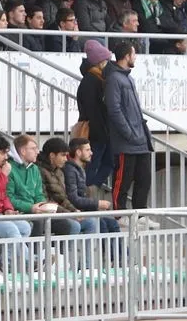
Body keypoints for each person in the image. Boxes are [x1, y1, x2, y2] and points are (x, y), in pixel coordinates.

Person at [105, 41, 158, 228]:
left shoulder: (128, 78)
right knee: (123, 179)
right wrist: (128, 133)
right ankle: (119, 215)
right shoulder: (114, 79)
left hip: (140, 140)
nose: (135, 57)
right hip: (126, 142)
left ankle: (141, 214)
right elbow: (114, 110)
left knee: (144, 179)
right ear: (127, 56)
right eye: (133, 54)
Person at [75, 40, 114, 194]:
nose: (108, 64)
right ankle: (87, 191)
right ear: (99, 62)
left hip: (102, 131)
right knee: (93, 164)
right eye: (106, 61)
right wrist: (103, 133)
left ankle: (91, 188)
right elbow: (93, 111)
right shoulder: (91, 82)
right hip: (96, 132)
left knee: (107, 163)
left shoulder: (97, 79)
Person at [38, 138, 99, 234]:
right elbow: (46, 201)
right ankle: (67, 249)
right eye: (63, 155)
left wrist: (74, 210)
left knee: (91, 223)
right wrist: (69, 213)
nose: (66, 159)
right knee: (73, 226)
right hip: (48, 214)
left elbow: (63, 198)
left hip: (61, 213)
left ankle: (87, 250)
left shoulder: (59, 171)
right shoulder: (40, 171)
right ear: (52, 155)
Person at [64, 138, 121, 233]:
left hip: (84, 211)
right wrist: (97, 203)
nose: (91, 153)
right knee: (101, 224)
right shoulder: (70, 170)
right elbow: (73, 198)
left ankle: (121, 249)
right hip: (76, 212)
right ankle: (105, 248)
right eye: (87, 150)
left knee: (113, 224)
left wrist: (96, 205)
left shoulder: (79, 169)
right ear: (78, 152)